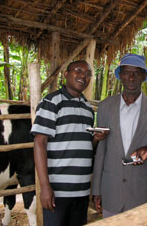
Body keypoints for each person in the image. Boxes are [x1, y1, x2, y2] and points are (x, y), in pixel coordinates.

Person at [31, 60, 107, 226]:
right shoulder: (51, 102)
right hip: (57, 191)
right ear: (66, 74)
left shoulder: (87, 108)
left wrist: (96, 138)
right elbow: (39, 143)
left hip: (81, 190)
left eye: (88, 74)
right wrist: (45, 187)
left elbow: (85, 145)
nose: (83, 76)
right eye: (78, 71)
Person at [92, 53, 147, 218]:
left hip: (142, 192)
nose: (131, 77)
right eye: (126, 73)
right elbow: (101, 152)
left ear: (143, 76)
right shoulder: (105, 107)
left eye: (136, 73)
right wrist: (97, 189)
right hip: (112, 190)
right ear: (120, 76)